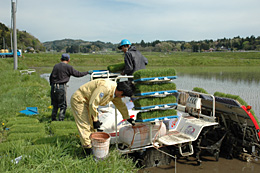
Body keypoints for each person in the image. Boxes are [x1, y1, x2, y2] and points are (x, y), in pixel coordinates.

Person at [70, 79, 135, 152]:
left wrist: (127, 118)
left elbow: (121, 105)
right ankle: (87, 149)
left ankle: (93, 145)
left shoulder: (115, 92)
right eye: (123, 96)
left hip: (89, 102)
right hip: (80, 100)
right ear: (121, 92)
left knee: (92, 127)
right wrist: (95, 120)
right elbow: (93, 104)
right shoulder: (106, 88)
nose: (122, 98)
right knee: (85, 124)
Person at [49, 53, 92, 121]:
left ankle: (53, 118)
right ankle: (61, 119)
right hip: (61, 87)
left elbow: (51, 77)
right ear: (69, 60)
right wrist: (87, 72)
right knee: (63, 105)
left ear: (61, 59)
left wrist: (51, 85)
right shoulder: (68, 67)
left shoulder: (56, 66)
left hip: (53, 87)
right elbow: (78, 74)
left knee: (55, 104)